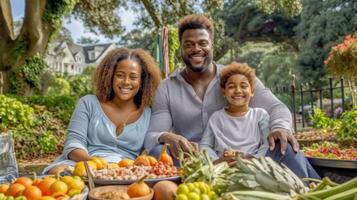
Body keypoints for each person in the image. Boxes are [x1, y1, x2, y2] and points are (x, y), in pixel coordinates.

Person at [144, 14, 319, 178]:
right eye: (188, 44)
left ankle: (313, 191)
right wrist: (166, 136)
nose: (196, 49)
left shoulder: (235, 79)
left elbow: (277, 108)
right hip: (197, 161)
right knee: (157, 152)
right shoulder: (167, 87)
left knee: (284, 145)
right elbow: (152, 135)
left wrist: (280, 127)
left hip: (248, 157)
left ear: (212, 45)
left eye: (203, 43)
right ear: (181, 48)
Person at [43, 48, 161, 174]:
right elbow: (73, 145)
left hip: (123, 172)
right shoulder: (88, 103)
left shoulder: (149, 114)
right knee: (58, 173)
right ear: (110, 76)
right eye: (120, 75)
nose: (126, 82)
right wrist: (97, 165)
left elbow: (149, 150)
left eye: (133, 77)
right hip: (81, 164)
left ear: (142, 81)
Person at [199, 62, 319, 178]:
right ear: (224, 92)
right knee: (300, 158)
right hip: (226, 168)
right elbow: (205, 144)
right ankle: (315, 188)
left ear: (252, 92)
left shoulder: (260, 115)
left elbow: (268, 143)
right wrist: (216, 161)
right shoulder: (216, 118)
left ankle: (311, 188)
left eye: (244, 86)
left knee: (288, 146)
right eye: (231, 87)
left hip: (256, 168)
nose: (238, 90)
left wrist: (254, 159)